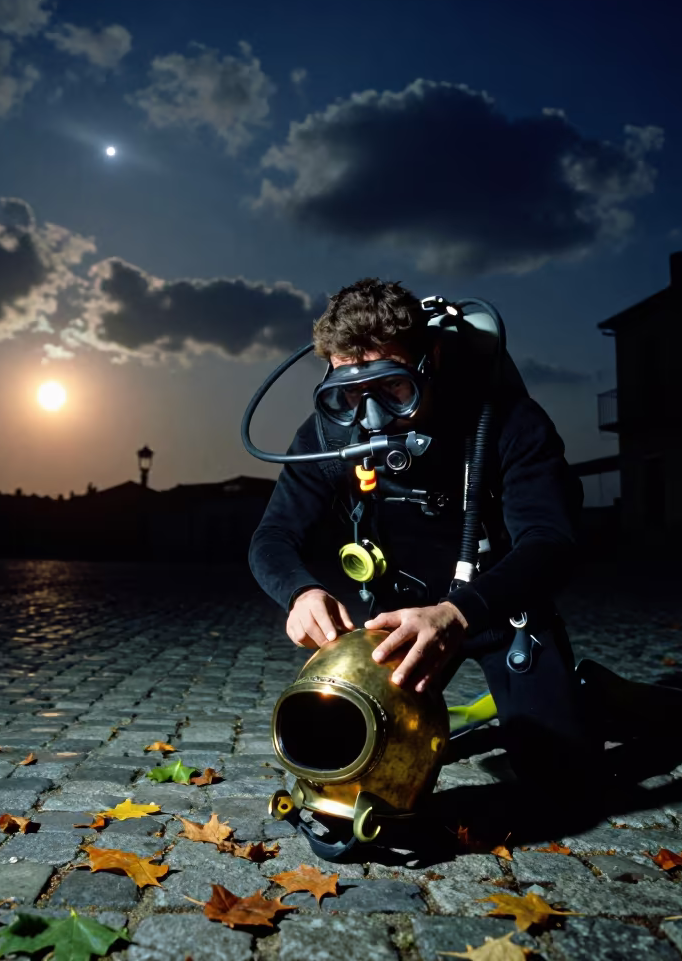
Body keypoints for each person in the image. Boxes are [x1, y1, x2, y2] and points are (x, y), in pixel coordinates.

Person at [249, 278, 595, 781]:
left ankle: (580, 695)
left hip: (502, 609)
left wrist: (457, 614)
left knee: (561, 781)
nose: (373, 417)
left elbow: (552, 540)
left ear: (429, 359)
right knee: (350, 774)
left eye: (394, 387)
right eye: (351, 392)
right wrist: (299, 593)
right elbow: (273, 536)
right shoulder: (326, 433)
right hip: (398, 619)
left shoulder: (507, 419)